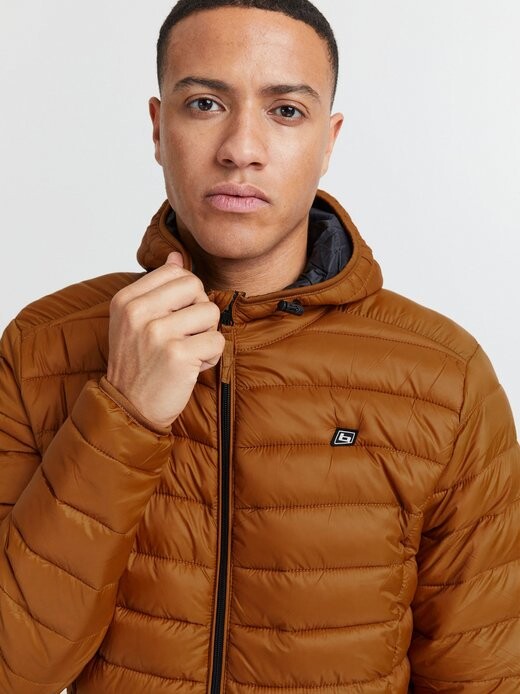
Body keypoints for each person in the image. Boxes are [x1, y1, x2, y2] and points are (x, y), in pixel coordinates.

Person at [0, 0, 518, 692]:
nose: (241, 148)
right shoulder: (39, 349)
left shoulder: (445, 378)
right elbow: (15, 670)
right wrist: (122, 415)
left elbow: (482, 676)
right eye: (205, 103)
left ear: (328, 140)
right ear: (158, 128)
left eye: (286, 111)